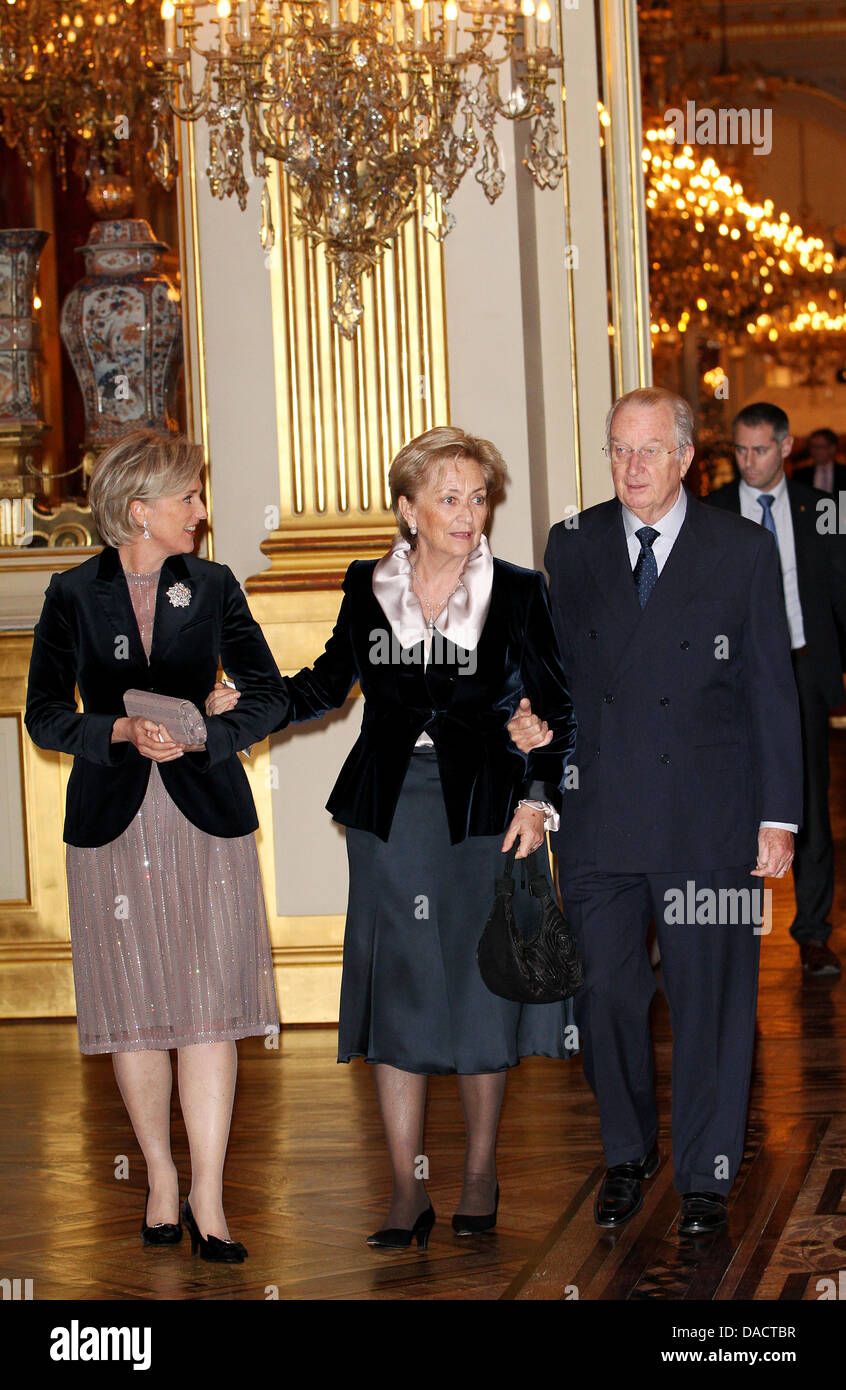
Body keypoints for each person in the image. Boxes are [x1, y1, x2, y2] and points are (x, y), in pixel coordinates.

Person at [210, 425, 578, 1249]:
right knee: (401, 993)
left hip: (488, 810)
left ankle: (480, 1172)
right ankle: (406, 1189)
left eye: (479, 497)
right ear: (408, 508)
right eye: (450, 498)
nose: (468, 513)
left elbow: (554, 710)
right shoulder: (367, 586)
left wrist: (538, 796)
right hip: (388, 814)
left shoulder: (517, 592)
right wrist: (242, 712)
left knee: (485, 991)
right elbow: (323, 687)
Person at [511, 387, 802, 1237]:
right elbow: (550, 674)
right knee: (603, 994)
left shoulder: (742, 550)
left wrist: (777, 815)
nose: (630, 467)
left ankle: (707, 1171)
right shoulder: (572, 544)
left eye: (647, 451)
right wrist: (532, 740)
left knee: (713, 996)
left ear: (684, 458)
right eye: (616, 450)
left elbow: (771, 691)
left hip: (711, 817)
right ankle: (628, 1151)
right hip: (597, 815)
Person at [25, 429, 290, 1263]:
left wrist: (209, 732)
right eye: (189, 498)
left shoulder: (213, 586)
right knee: (135, 1011)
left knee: (208, 1006)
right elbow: (44, 714)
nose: (202, 512)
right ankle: (161, 1179)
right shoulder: (70, 592)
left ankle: (209, 1197)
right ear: (139, 509)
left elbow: (270, 696)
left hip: (204, 817)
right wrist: (117, 731)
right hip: (112, 823)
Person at [706, 403, 846, 976]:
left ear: (786, 448)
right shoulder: (710, 511)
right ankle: (731, 939)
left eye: (760, 450)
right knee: (726, 806)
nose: (748, 461)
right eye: (739, 450)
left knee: (805, 802)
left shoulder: (824, 511)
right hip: (727, 678)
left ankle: (812, 935)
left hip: (802, 670)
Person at [793, 427, 846, 499]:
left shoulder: (843, 473)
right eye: (812, 446)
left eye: (820, 447)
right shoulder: (800, 475)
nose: (815, 451)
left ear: (832, 448)